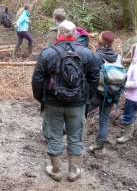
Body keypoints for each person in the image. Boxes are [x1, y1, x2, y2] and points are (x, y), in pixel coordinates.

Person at [32, 20, 100, 182]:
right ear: (75, 34)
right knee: (75, 137)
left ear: (58, 34)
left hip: (53, 102)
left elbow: (37, 79)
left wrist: (41, 99)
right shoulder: (88, 53)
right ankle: (73, 171)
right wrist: (86, 99)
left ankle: (56, 171)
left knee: (54, 135)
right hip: (78, 104)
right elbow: (95, 77)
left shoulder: (48, 53)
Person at [87, 31, 124, 152]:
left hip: (97, 92)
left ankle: (65, 132)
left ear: (101, 41)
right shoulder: (118, 57)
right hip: (112, 93)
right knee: (104, 119)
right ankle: (99, 144)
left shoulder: (97, 56)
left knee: (81, 111)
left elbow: (91, 75)